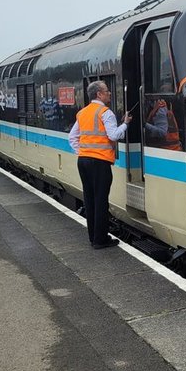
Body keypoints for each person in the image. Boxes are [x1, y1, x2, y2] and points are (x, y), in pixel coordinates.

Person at [68, 81, 131, 249]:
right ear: (99, 94)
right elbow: (114, 135)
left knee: (89, 199)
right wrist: (125, 123)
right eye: (106, 91)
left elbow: (72, 137)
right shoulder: (105, 113)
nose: (109, 93)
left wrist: (82, 152)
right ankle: (100, 240)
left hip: (83, 161)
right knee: (101, 200)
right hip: (100, 163)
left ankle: (93, 237)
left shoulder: (82, 113)